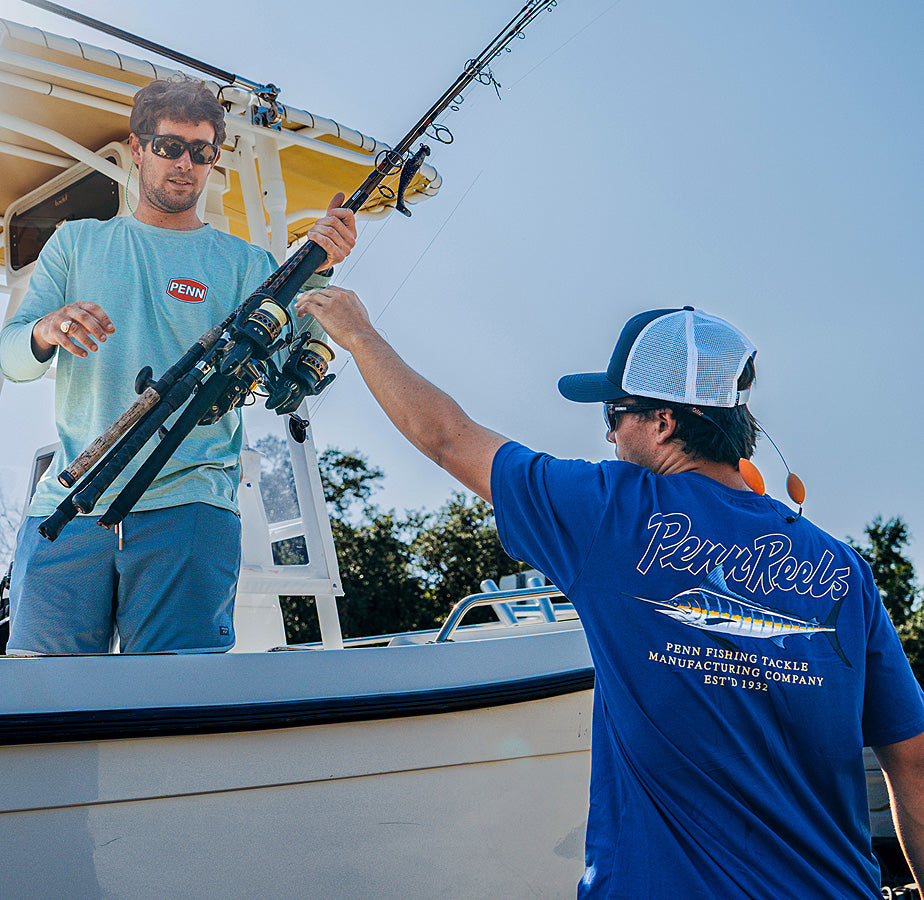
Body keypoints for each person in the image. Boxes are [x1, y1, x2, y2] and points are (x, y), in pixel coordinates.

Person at [297, 289, 924, 898]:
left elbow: (448, 438)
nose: (608, 437)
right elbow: (913, 766)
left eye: (612, 415)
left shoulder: (609, 512)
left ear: (662, 421)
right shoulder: (844, 569)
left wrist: (359, 335)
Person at [0, 77, 356, 655]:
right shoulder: (75, 243)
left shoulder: (247, 264)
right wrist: (44, 331)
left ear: (213, 159)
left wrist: (320, 267)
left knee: (175, 705)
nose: (184, 163)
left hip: (191, 508)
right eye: (168, 147)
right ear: (138, 149)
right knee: (43, 698)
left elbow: (300, 359)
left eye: (201, 151)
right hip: (67, 507)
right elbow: (9, 357)